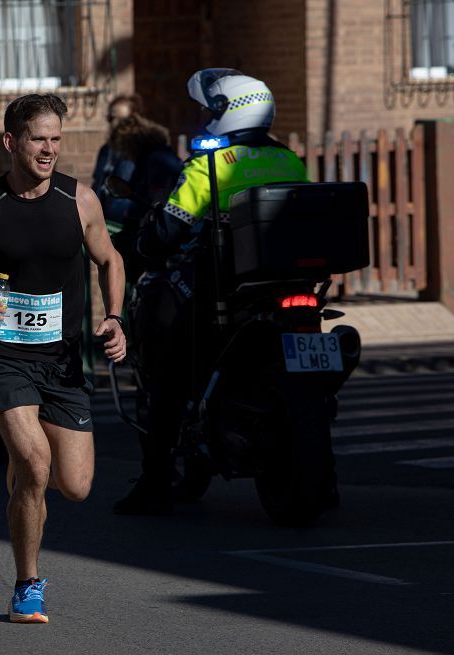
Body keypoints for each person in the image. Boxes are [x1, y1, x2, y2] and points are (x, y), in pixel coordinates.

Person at [0, 93, 126, 623]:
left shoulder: (80, 201)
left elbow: (110, 258)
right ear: (12, 142)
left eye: (56, 139)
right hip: (4, 357)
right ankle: (26, 586)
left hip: (61, 361)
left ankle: (24, 472)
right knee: (35, 466)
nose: (49, 150)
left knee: (76, 487)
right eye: (39, 139)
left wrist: (116, 317)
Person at [113, 69, 310, 516]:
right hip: (287, 285)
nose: (201, 118)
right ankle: (322, 475)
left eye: (207, 110)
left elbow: (167, 229)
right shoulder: (288, 159)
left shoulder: (211, 164)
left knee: (164, 367)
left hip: (224, 289)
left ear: (226, 112)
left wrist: (139, 247)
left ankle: (155, 480)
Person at [104, 113, 183, 284]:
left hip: (160, 244)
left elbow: (156, 201)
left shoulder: (158, 161)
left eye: (121, 149)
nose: (123, 155)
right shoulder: (155, 158)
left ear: (129, 142)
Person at [91, 93, 144, 226]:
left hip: (125, 223)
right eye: (111, 118)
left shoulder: (139, 150)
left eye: (121, 119)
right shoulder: (106, 150)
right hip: (103, 223)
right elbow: (97, 184)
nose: (114, 123)